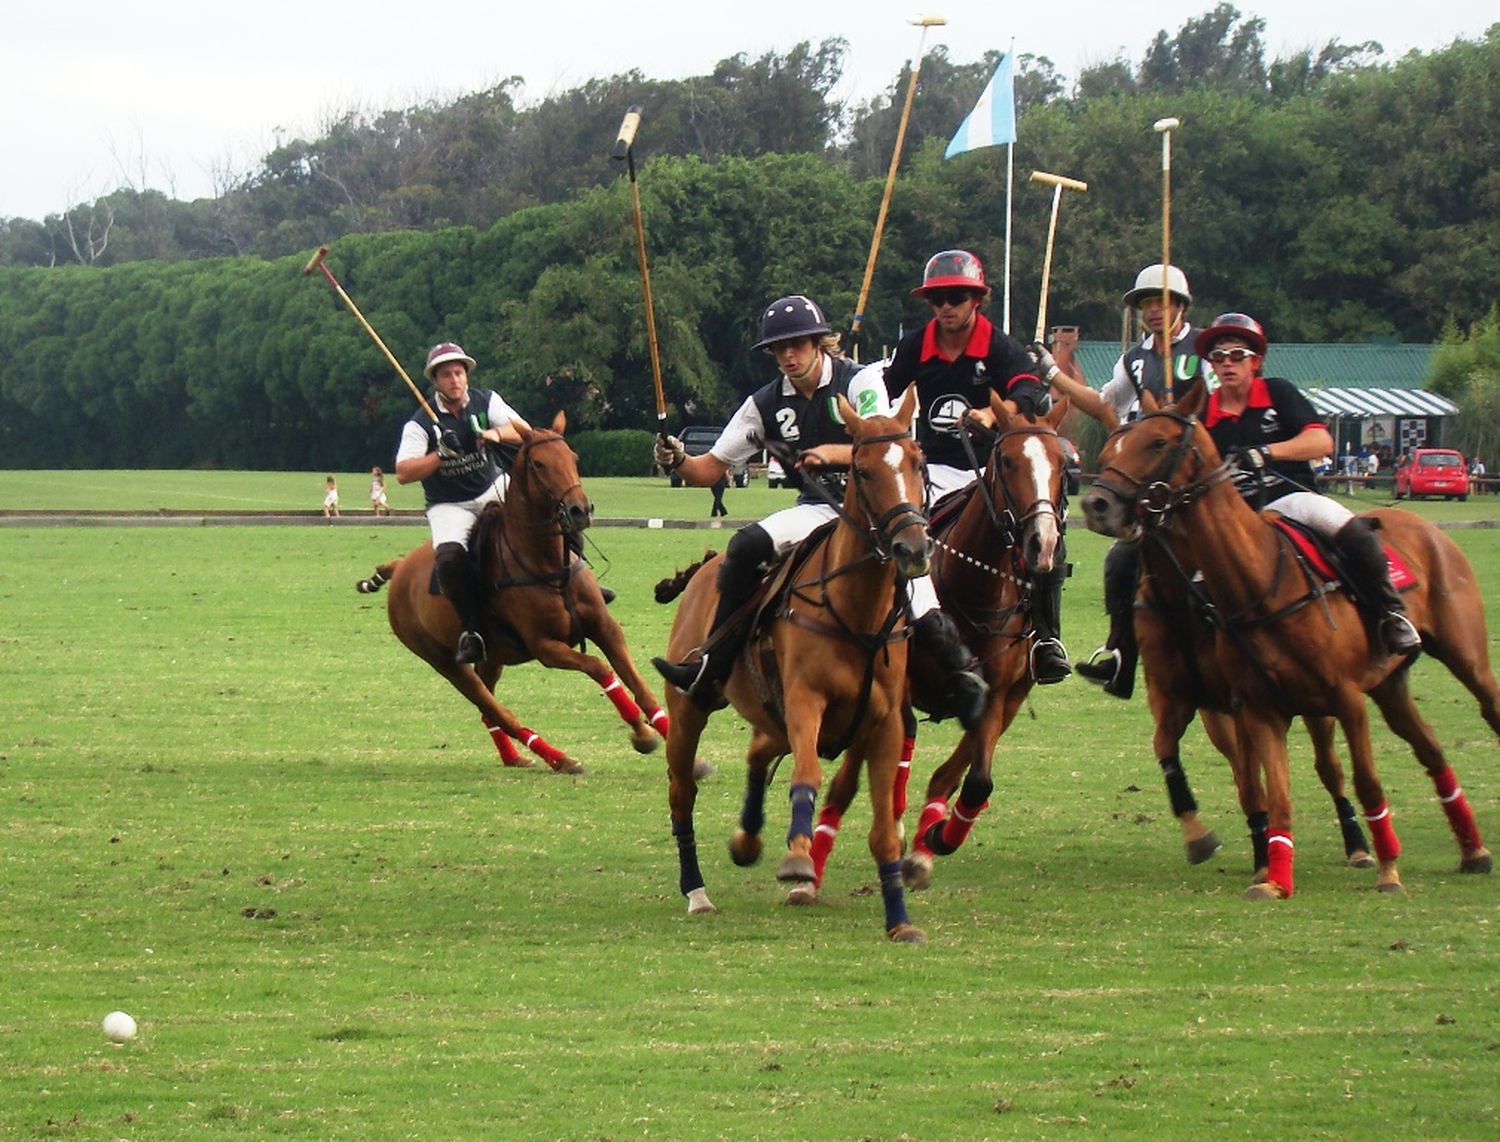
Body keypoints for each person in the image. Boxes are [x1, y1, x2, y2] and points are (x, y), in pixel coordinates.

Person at [652, 293, 988, 727]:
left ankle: (962, 675)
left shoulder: (861, 381)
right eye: (778, 348)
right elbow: (709, 469)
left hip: (877, 516)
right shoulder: (765, 402)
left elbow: (884, 442)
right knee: (744, 546)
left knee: (920, 597)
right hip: (817, 511)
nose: (788, 355)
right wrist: (677, 459)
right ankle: (712, 665)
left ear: (819, 343)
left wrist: (830, 452)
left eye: (797, 344)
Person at [883, 249, 1070, 684]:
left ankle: (1045, 637)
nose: (947, 307)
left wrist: (990, 414)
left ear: (976, 300)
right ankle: (891, 627)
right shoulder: (916, 345)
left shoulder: (997, 345)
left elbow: (1029, 390)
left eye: (957, 297)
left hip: (994, 472)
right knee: (902, 537)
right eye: (938, 299)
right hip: (934, 469)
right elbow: (883, 389)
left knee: (1044, 531)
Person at [1194, 312, 1421, 656]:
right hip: (1234, 517)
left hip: (1291, 499)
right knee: (1191, 585)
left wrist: (1267, 452)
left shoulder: (1278, 392)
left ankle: (1391, 613)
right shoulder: (1204, 412)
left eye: (1237, 355)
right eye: (1218, 357)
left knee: (1352, 531)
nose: (1227, 363)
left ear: (1255, 361)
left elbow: (1320, 442)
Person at [1043, 263, 1213, 698]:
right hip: (1156, 484)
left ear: (1181, 305)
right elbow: (1105, 405)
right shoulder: (1134, 359)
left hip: (1201, 475)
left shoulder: (1206, 348)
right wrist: (1052, 375)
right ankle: (1120, 658)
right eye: (1147, 304)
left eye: (1163, 302)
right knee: (1121, 562)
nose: (1154, 311)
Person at [394, 341, 530, 666]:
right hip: (448, 503)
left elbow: (524, 430)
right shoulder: (420, 423)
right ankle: (472, 631)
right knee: (450, 558)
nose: (454, 380)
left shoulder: (486, 401)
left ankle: (582, 583)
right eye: (446, 375)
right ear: (436, 380)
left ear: (467, 376)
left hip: (491, 486)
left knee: (548, 507)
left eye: (458, 373)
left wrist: (496, 435)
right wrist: (440, 455)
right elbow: (403, 472)